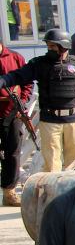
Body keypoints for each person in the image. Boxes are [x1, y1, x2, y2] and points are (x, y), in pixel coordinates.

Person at [0, 29, 75, 172]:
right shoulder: (39, 64)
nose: (50, 50)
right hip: (50, 121)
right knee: (52, 165)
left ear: (64, 46)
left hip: (74, 119)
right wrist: (3, 81)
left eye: (53, 46)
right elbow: (17, 76)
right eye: (48, 46)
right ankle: (54, 194)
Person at [0, 35, 28, 206]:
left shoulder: (16, 58)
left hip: (12, 112)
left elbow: (27, 82)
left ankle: (9, 192)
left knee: (12, 152)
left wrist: (22, 102)